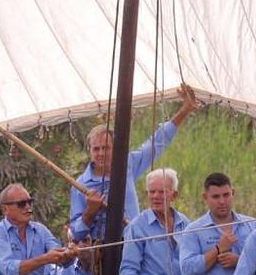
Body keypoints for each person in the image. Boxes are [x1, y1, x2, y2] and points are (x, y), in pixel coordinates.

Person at [69, 84, 201, 244]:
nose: (101, 153)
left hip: (132, 245)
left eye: (106, 148)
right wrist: (89, 212)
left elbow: (156, 143)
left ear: (115, 148)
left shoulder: (127, 164)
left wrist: (185, 111)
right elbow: (76, 234)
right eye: (96, 149)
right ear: (90, 151)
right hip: (100, 255)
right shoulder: (80, 185)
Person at [177, 171, 256, 275]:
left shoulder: (252, 225)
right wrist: (218, 249)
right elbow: (186, 270)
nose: (222, 201)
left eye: (226, 195)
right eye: (215, 196)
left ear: (233, 193)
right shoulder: (194, 230)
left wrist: (240, 261)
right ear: (205, 197)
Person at [121, 168, 194, 275]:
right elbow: (128, 269)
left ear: (174, 195)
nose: (155, 197)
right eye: (151, 192)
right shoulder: (137, 227)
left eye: (162, 192)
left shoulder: (185, 224)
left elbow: (194, 263)